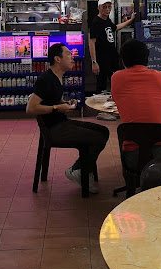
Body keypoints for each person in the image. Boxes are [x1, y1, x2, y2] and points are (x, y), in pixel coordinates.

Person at [26, 43, 109, 193]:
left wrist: (65, 104)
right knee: (97, 137)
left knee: (103, 131)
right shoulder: (46, 79)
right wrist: (57, 108)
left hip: (61, 123)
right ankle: (77, 171)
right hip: (54, 129)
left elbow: (53, 100)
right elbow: (31, 108)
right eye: (69, 54)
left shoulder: (57, 77)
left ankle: (82, 169)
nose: (73, 57)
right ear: (57, 59)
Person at [111, 39, 161, 170]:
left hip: (134, 156)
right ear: (147, 58)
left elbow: (116, 100)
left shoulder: (116, 78)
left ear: (123, 60)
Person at [89, 0, 134, 120]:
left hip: (112, 58)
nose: (107, 9)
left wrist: (130, 21)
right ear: (99, 7)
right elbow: (91, 42)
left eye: (109, 7)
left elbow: (116, 28)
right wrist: (94, 62)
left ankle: (113, 109)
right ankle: (100, 111)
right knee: (101, 85)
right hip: (102, 59)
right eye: (104, 7)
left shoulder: (107, 21)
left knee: (115, 83)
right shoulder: (95, 22)